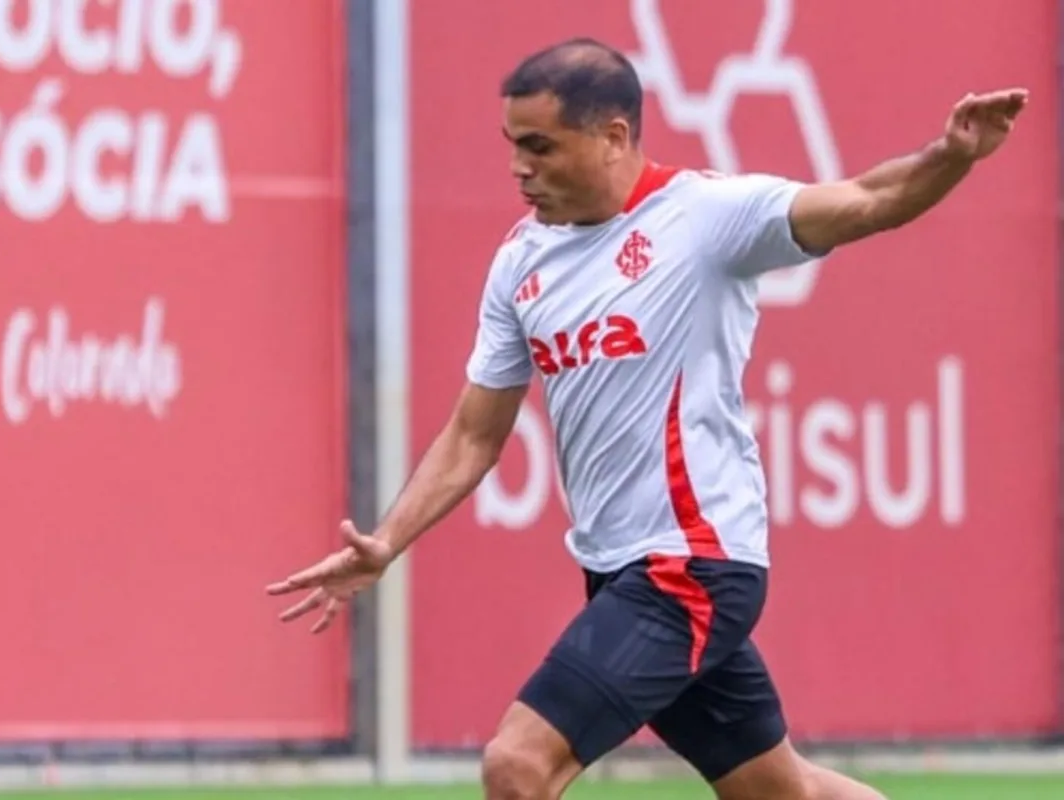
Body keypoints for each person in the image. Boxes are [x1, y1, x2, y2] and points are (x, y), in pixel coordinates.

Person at [267, 37, 1026, 800]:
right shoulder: (520, 262)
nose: (518, 167)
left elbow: (865, 200)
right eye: (512, 145)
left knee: (517, 765)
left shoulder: (704, 217)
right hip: (617, 571)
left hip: (690, 565)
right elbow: (474, 434)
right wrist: (387, 542)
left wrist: (950, 155)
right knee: (783, 792)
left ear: (613, 136)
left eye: (539, 146)